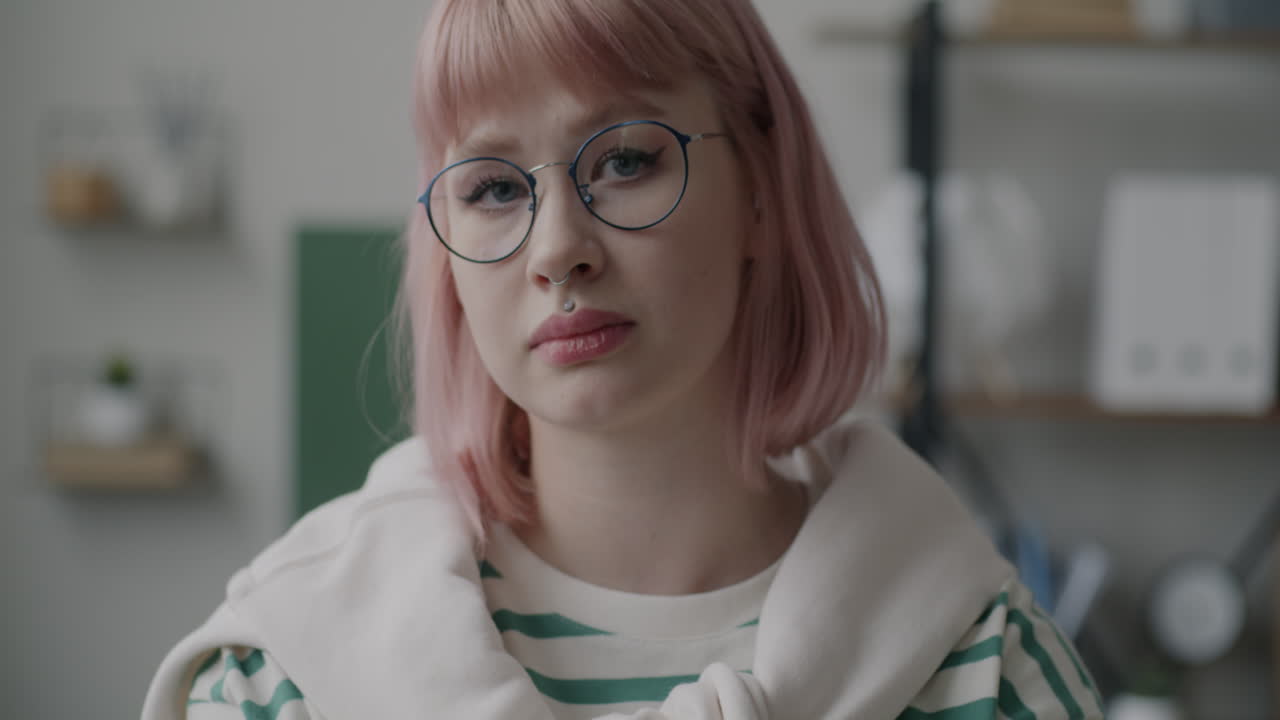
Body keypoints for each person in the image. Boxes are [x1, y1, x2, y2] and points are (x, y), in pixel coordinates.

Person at [142, 0, 1104, 718]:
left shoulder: (986, 669)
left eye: (626, 160)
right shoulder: (287, 675)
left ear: (761, 194)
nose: (558, 248)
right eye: (490, 187)